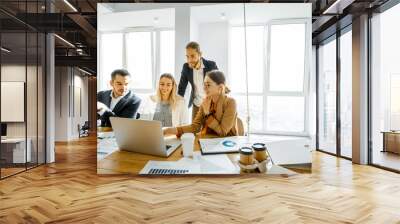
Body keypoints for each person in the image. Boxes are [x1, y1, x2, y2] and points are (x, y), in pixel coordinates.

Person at [164, 70, 238, 137]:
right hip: (209, 141)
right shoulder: (205, 102)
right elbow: (195, 127)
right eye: (204, 84)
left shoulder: (230, 102)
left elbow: (222, 132)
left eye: (208, 85)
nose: (204, 88)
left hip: (227, 144)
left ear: (220, 88)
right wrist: (169, 130)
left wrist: (207, 114)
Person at [178, 41, 218, 120]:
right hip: (196, 104)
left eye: (192, 56)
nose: (189, 60)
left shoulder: (211, 65)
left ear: (200, 54)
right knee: (195, 130)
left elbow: (219, 83)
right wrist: (178, 105)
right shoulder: (186, 67)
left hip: (211, 104)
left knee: (211, 130)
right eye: (187, 56)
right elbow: (182, 88)